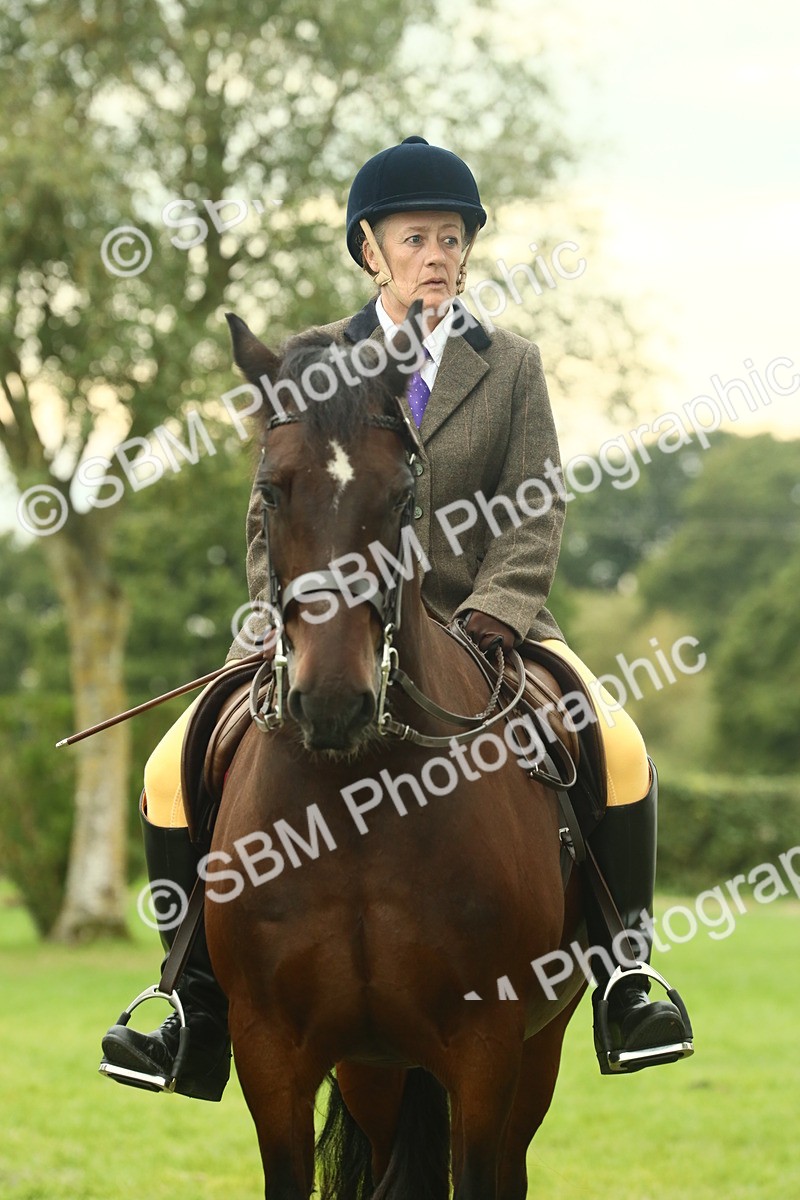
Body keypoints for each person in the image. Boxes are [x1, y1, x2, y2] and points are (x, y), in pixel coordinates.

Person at [100, 136, 692, 1098]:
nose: (438, 256)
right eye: (416, 238)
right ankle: (188, 999)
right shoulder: (314, 362)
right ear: (369, 250)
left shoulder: (509, 364)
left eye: (452, 238)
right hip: (322, 630)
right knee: (172, 767)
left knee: (619, 746)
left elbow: (536, 503)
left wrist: (500, 610)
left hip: (487, 626)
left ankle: (627, 976)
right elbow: (270, 511)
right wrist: (280, 618)